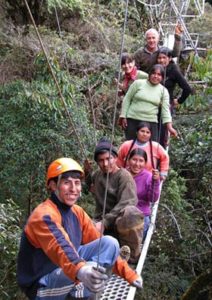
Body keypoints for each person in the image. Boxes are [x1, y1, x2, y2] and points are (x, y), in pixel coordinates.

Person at [17, 157, 143, 300]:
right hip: (42, 285)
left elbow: (97, 239)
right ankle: (81, 289)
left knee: (109, 243)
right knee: (87, 269)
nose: (73, 189)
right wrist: (82, 270)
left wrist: (130, 275)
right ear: (52, 185)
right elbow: (61, 246)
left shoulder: (77, 212)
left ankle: (83, 286)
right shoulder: (44, 215)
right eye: (66, 183)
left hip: (66, 269)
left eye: (77, 183)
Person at [85, 138, 144, 264]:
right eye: (101, 161)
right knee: (79, 222)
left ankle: (131, 257)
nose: (105, 164)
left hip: (118, 223)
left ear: (115, 158)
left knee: (130, 213)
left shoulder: (124, 176)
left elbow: (127, 202)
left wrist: (105, 222)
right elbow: (89, 185)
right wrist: (86, 172)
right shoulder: (97, 175)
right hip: (100, 222)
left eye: (108, 158)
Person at [119, 64, 178, 141]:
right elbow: (127, 99)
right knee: (131, 146)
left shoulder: (163, 91)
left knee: (151, 148)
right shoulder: (138, 83)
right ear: (149, 74)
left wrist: (169, 127)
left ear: (162, 77)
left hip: (151, 122)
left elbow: (165, 110)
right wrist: (123, 116)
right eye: (154, 73)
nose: (156, 76)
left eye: (159, 74)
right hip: (133, 119)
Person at [157, 47, 192, 147]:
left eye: (164, 58)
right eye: (159, 58)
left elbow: (187, 88)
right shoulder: (156, 69)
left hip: (166, 105)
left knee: (163, 134)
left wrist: (179, 101)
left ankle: (161, 158)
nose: (161, 60)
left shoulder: (173, 70)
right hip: (154, 105)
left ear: (169, 58)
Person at [127, 148, 160, 240]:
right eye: (134, 160)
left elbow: (153, 199)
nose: (137, 164)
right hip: (123, 213)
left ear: (145, 163)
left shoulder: (148, 177)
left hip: (141, 215)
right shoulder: (123, 174)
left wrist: (155, 181)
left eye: (141, 161)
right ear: (129, 160)